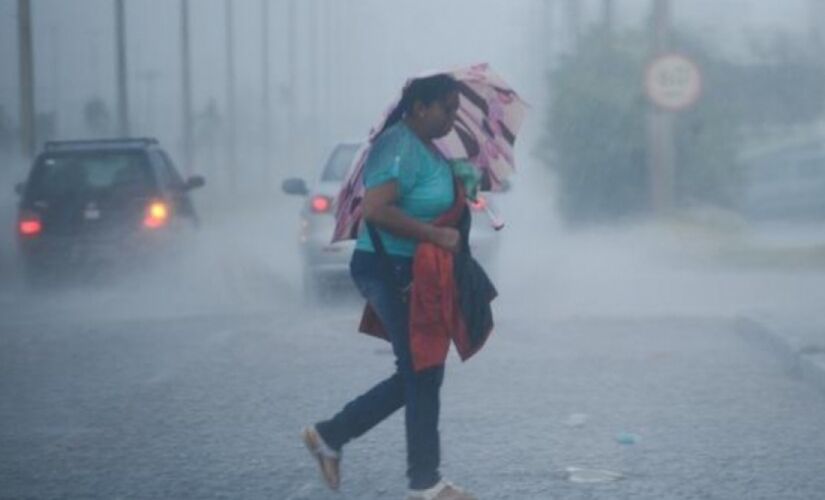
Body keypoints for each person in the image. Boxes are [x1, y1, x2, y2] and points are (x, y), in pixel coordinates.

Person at [302, 74, 493, 500]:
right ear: (419, 107)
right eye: (445, 108)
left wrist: (461, 185)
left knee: (420, 371)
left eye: (454, 109)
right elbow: (376, 210)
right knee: (422, 371)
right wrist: (433, 234)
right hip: (389, 270)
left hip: (420, 273)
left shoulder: (429, 149)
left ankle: (331, 435)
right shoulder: (395, 146)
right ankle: (424, 484)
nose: (451, 117)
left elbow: (430, 197)